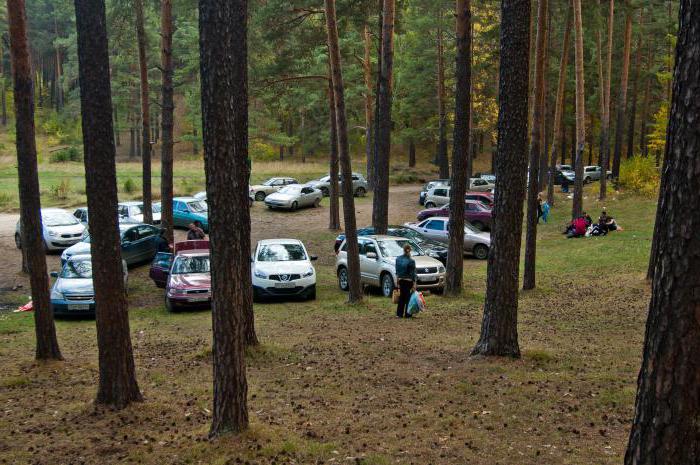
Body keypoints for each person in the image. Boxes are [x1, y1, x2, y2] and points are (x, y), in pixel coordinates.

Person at [395, 243, 416, 318]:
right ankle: (408, 314)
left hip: (401, 281)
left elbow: (397, 272)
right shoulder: (411, 261)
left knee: (401, 298)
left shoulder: (398, 259)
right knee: (408, 298)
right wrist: (414, 283)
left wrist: (397, 282)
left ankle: (399, 314)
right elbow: (413, 274)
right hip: (408, 281)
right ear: (410, 250)